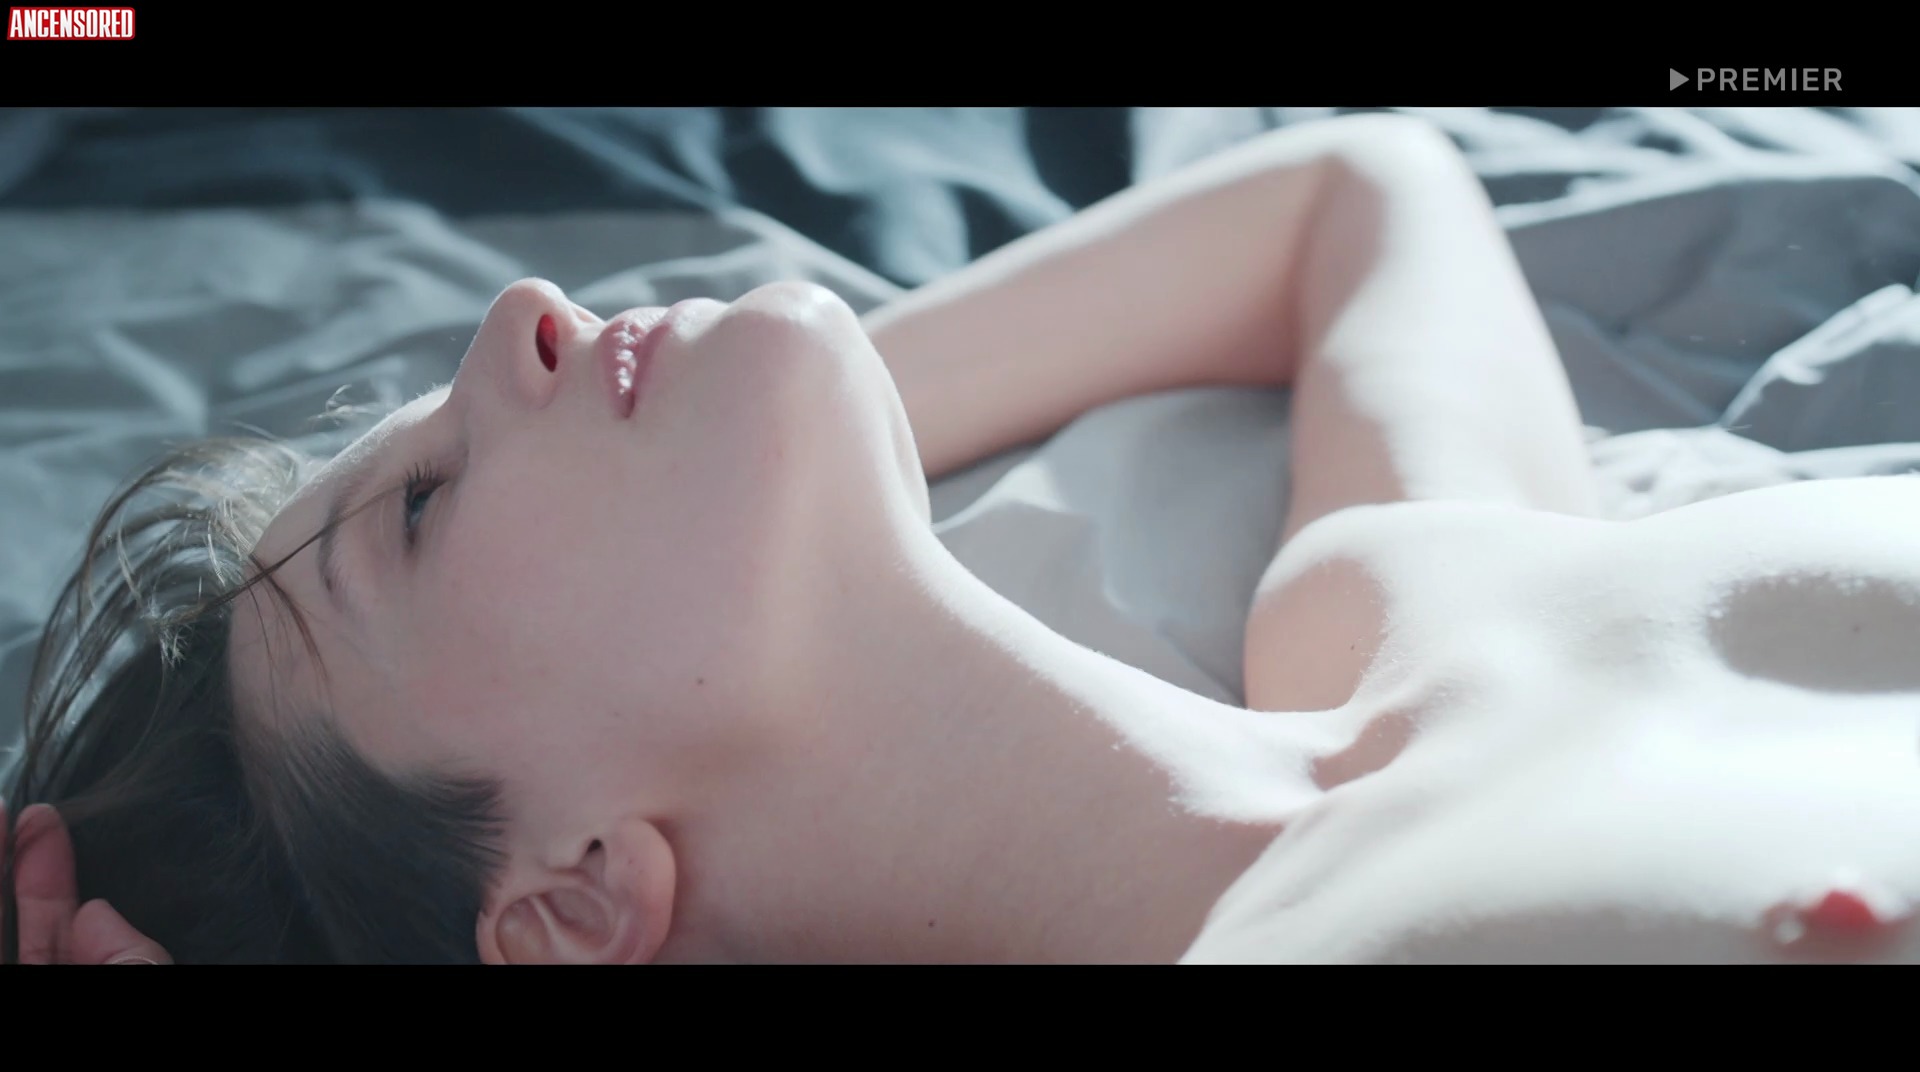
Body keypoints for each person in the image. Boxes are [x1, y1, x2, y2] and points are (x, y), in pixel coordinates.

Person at [7, 113, 1918, 964]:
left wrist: (763, 408)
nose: (520, 316)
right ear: (576, 900)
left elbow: (1355, 190)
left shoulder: (1380, 604)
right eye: (422, 513)